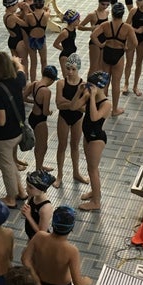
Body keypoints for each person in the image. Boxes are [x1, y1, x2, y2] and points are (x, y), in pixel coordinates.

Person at [21, 206, 92, 285]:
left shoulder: (39, 236)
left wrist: (37, 282)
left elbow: (25, 259)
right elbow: (78, 283)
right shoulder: (71, 250)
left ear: (52, 224)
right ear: (72, 229)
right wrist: (89, 280)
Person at [0, 52, 27, 209]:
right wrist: (17, 62)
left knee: (6, 166)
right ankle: (21, 191)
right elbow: (21, 69)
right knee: (11, 163)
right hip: (18, 130)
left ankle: (11, 198)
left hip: (4, 136)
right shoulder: (18, 80)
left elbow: (0, 120)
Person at [91, 2, 137, 116]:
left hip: (107, 52)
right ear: (122, 14)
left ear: (112, 13)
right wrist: (127, 49)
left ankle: (103, 106)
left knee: (104, 81)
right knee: (116, 83)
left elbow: (93, 36)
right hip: (118, 54)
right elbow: (135, 43)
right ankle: (115, 109)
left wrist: (101, 45)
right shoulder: (127, 28)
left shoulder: (105, 25)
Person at [54, 53, 88, 189]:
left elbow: (85, 108)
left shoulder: (83, 85)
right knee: (62, 145)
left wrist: (67, 103)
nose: (70, 72)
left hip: (77, 119)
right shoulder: (60, 83)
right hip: (63, 117)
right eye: (68, 68)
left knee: (75, 146)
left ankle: (76, 173)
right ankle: (59, 175)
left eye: (73, 69)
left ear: (78, 68)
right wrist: (75, 105)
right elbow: (58, 104)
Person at [79, 71, 112, 212]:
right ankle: (94, 191)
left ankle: (96, 201)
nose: (89, 89)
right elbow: (74, 107)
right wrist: (79, 92)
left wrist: (91, 97)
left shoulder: (106, 103)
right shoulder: (89, 95)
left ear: (101, 87)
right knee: (91, 168)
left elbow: (94, 117)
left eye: (92, 86)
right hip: (87, 135)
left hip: (97, 138)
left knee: (92, 169)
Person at [24, 65, 58, 171]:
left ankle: (40, 165)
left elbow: (23, 97)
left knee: (39, 145)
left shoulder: (34, 84)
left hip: (32, 117)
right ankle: (38, 169)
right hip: (40, 120)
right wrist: (50, 112)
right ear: (52, 79)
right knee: (42, 146)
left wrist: (34, 102)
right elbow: (45, 111)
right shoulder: (46, 91)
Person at [79, 0, 111, 75]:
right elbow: (79, 26)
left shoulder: (107, 12)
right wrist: (91, 28)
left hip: (104, 41)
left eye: (107, 5)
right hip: (95, 42)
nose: (105, 7)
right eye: (103, 4)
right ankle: (88, 85)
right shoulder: (92, 15)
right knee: (94, 67)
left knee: (101, 67)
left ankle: (96, 85)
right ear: (99, 2)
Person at [21, 170, 55, 240]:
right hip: (31, 236)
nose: (26, 189)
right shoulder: (32, 196)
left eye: (30, 187)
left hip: (40, 241)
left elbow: (42, 233)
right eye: (27, 185)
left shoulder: (45, 208)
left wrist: (28, 216)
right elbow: (29, 212)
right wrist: (25, 212)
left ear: (42, 190)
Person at [2, 0, 29, 80]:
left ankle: (16, 78)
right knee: (24, 62)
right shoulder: (13, 17)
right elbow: (25, 24)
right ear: (11, 6)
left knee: (15, 63)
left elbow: (18, 17)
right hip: (19, 42)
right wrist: (25, 11)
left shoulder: (6, 15)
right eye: (16, 5)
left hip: (11, 41)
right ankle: (24, 79)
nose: (17, 6)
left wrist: (21, 10)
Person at [26, 0, 49, 83]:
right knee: (44, 61)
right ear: (43, 4)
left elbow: (26, 22)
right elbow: (47, 10)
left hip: (31, 39)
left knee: (33, 63)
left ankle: (32, 83)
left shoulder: (29, 16)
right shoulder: (46, 15)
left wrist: (28, 8)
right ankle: (44, 82)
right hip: (41, 40)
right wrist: (47, 8)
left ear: (34, 5)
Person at [53, 9, 80, 78]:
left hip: (72, 55)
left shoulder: (74, 28)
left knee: (73, 76)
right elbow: (55, 44)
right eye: (77, 19)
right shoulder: (65, 33)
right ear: (72, 21)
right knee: (67, 77)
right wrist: (64, 49)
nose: (79, 21)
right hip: (65, 57)